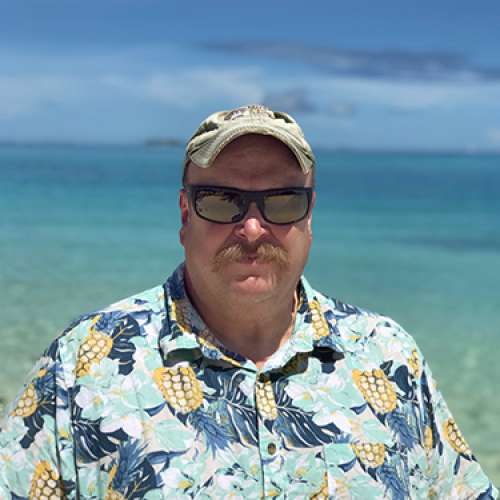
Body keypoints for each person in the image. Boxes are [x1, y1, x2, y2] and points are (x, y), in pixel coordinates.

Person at [0, 105, 496, 500]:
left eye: (282, 201)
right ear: (184, 215)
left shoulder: (389, 358)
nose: (253, 228)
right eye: (220, 199)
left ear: (309, 217)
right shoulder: (83, 363)